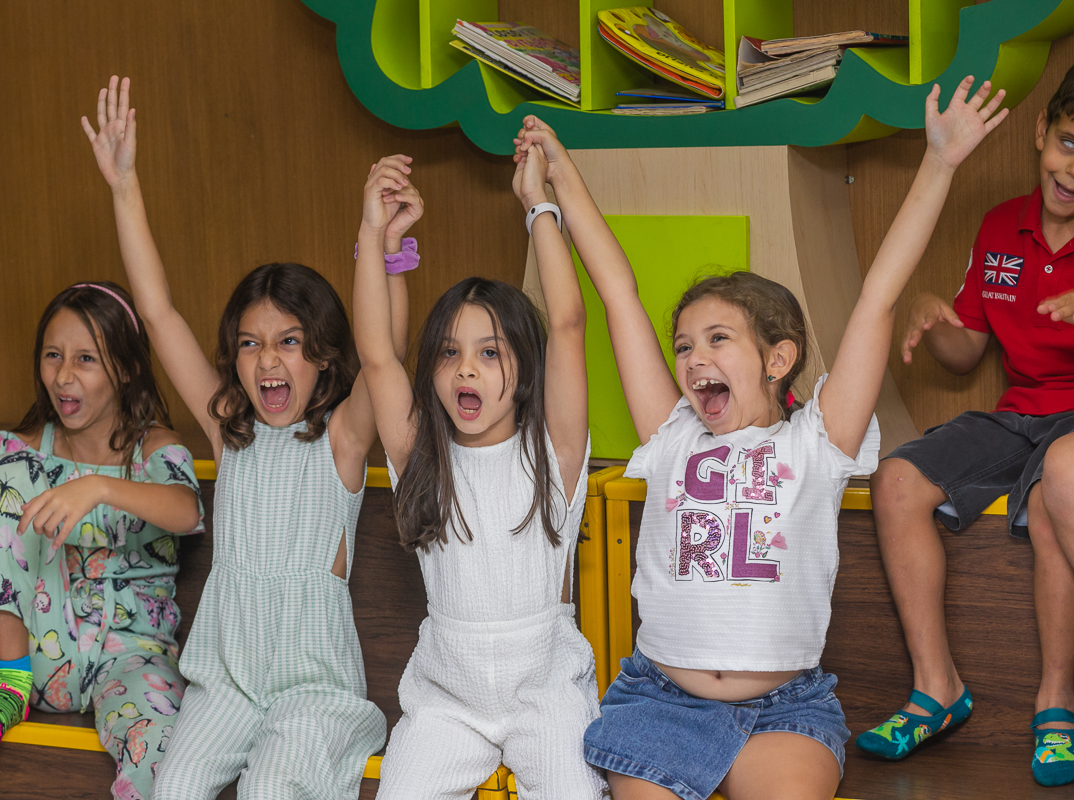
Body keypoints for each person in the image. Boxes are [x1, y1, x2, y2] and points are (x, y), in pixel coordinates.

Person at [514, 76, 1005, 799]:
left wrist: (939, 164)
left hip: (783, 710)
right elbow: (616, 291)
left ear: (778, 360)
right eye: (683, 346)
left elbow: (877, 300)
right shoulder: (672, 434)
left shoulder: (818, 442)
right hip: (663, 700)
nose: (692, 359)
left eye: (717, 339)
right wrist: (561, 178)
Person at [81, 76, 411, 799]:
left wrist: (377, 241)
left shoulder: (343, 438)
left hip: (311, 689)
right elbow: (159, 312)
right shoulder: (228, 429)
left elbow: (384, 350)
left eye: (289, 341)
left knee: (271, 791)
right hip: (225, 680)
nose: (268, 360)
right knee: (173, 789)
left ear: (322, 353)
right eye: (251, 343)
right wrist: (124, 185)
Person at [0, 281, 205, 800]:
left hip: (135, 656)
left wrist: (97, 488)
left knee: (161, 750)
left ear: (127, 368)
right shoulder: (23, 451)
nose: (63, 375)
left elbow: (186, 510)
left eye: (86, 359)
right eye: (53, 355)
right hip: (43, 652)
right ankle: (9, 683)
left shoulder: (155, 449)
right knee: (6, 473)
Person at [353, 146, 608, 800]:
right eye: (450, 353)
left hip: (543, 690)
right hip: (447, 697)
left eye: (489, 353)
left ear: (526, 369)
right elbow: (377, 355)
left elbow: (572, 324)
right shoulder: (422, 456)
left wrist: (537, 206)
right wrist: (371, 233)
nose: (465, 368)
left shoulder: (552, 450)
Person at [859, 64, 1074, 787]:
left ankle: (1055, 705)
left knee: (1060, 488)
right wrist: (930, 311)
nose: (1073, 171)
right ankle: (937, 689)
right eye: (1069, 144)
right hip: (1020, 416)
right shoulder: (999, 228)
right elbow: (964, 354)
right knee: (896, 480)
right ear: (1042, 132)